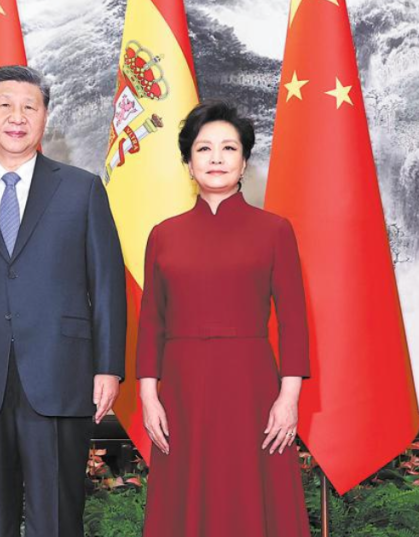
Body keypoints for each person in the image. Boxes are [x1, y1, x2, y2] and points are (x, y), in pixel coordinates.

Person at [0, 65, 127, 537]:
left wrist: (108, 367)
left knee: (58, 517)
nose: (18, 117)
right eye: (5, 105)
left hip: (62, 373)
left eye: (30, 107)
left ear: (45, 116)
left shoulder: (82, 188)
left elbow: (107, 284)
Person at [137, 101, 311, 536]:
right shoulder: (163, 235)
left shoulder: (275, 230)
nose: (216, 158)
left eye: (229, 148)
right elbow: (151, 321)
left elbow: (293, 320)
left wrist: (288, 399)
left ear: (245, 161)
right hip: (181, 390)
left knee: (252, 496)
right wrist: (148, 395)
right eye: (204, 148)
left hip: (252, 387)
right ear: (188, 162)